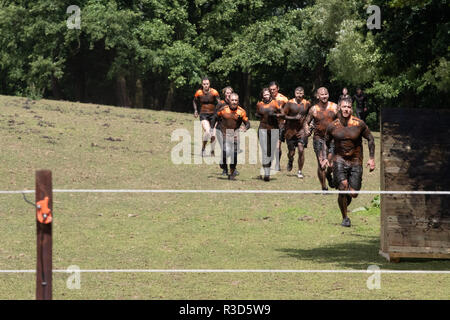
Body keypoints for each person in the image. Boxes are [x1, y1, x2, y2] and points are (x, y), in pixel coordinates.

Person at [320, 97, 375, 227]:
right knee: (343, 187)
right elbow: (325, 142)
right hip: (339, 160)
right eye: (344, 107)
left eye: (349, 107)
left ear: (351, 109)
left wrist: (371, 158)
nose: (346, 109)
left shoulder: (359, 124)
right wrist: (324, 158)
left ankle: (344, 196)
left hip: (356, 161)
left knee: (354, 193)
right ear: (339, 108)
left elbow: (371, 139)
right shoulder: (333, 126)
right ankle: (345, 218)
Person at [304, 87, 338, 191]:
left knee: (332, 165)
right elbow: (306, 122)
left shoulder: (335, 107)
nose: (324, 96)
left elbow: (342, 120)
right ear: (317, 96)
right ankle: (324, 187)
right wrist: (307, 130)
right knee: (321, 164)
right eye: (322, 95)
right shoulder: (313, 109)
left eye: (326, 94)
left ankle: (328, 174)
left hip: (332, 139)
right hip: (318, 139)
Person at [216, 93, 250, 180]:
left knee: (234, 155)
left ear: (238, 101)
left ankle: (231, 174)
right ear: (229, 100)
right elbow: (215, 117)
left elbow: (247, 123)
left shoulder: (241, 111)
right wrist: (213, 128)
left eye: (236, 100)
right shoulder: (223, 109)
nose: (234, 102)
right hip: (224, 134)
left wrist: (245, 127)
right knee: (225, 151)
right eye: (232, 100)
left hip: (235, 135)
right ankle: (223, 163)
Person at [282, 87, 311, 179]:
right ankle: (290, 160)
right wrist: (294, 118)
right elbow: (283, 115)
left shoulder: (307, 103)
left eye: (301, 93)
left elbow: (310, 116)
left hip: (301, 131)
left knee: (301, 150)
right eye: (297, 93)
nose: (299, 95)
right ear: (295, 93)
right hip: (290, 131)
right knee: (291, 152)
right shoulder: (289, 103)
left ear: (303, 94)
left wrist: (308, 127)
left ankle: (299, 171)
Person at [255, 88, 283, 181]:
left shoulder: (275, 103)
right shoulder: (259, 104)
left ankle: (267, 167)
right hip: (262, 129)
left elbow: (282, 114)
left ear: (270, 95)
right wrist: (258, 115)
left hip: (274, 129)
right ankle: (267, 173)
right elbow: (257, 113)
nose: (266, 96)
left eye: (268, 94)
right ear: (262, 95)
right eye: (264, 94)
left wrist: (275, 115)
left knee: (270, 152)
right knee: (265, 151)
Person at [193, 77, 220, 157]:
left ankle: (212, 151)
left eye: (207, 84)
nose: (206, 85)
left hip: (213, 115)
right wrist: (195, 110)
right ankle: (203, 148)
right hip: (203, 114)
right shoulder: (199, 92)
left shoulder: (214, 92)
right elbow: (194, 101)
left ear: (209, 84)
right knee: (208, 131)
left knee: (213, 135)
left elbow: (219, 103)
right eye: (204, 84)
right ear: (202, 84)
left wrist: (219, 113)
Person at [268, 81, 288, 171]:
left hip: (280, 124)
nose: (272, 91)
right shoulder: (266, 98)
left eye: (274, 89)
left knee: (277, 146)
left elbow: (288, 110)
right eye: (271, 90)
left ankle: (277, 164)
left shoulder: (284, 99)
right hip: (269, 124)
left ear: (278, 88)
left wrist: (285, 120)